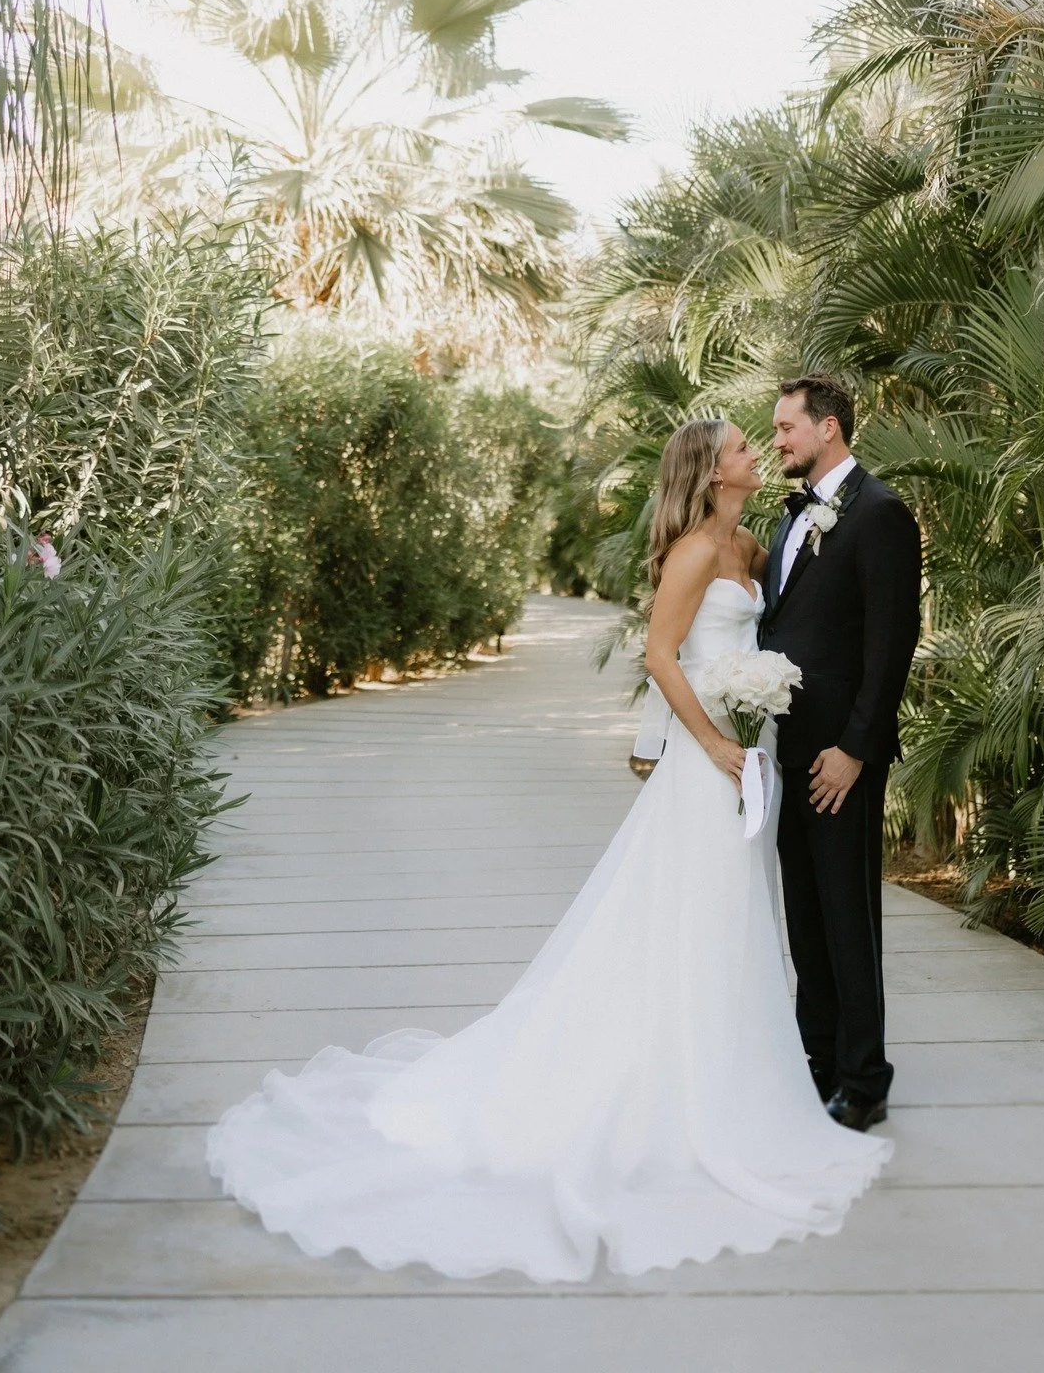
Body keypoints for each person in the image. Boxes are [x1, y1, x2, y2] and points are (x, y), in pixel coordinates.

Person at [207, 417, 890, 1283]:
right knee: (692, 912)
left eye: (761, 445)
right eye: (742, 450)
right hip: (706, 763)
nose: (756, 453)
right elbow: (661, 655)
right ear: (712, 472)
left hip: (752, 760)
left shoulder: (752, 544)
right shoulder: (687, 554)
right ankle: (668, 1094)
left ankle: (732, 1076)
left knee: (735, 921)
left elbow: (764, 640)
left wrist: (755, 721)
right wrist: (711, 744)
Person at [760, 375, 922, 1131]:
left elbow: (891, 647)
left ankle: (863, 1081)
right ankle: (816, 1061)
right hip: (790, 752)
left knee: (848, 920)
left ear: (828, 428)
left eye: (788, 427)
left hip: (841, 760)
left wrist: (855, 750)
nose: (779, 439)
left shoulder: (881, 513)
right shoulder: (790, 519)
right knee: (807, 918)